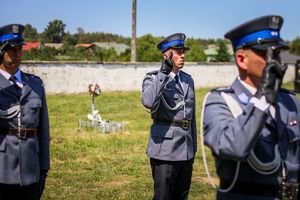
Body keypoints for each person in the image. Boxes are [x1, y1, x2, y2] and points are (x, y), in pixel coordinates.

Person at [202, 15, 300, 200]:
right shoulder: (220, 101)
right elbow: (233, 148)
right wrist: (262, 98)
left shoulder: (290, 102)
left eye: (278, 54)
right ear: (241, 59)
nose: (276, 61)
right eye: (268, 54)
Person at [142, 33, 197, 200]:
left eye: (183, 51)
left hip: (185, 149)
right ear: (166, 54)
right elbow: (149, 102)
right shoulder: (153, 78)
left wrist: (193, 147)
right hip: (165, 149)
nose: (183, 55)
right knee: (163, 196)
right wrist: (164, 73)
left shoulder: (188, 80)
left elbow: (191, 117)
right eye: (178, 51)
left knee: (181, 196)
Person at [0, 24, 50, 200]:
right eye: (12, 49)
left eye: (20, 48)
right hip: (3, 169)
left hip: (31, 168)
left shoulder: (35, 84)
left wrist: (44, 167)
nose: (17, 53)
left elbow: (43, 129)